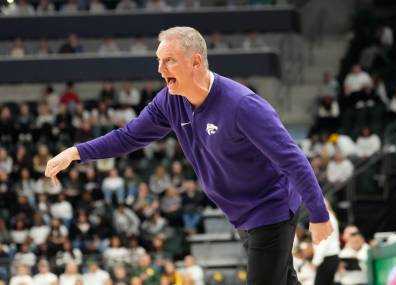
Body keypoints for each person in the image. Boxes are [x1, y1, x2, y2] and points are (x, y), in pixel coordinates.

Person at [45, 26, 333, 284]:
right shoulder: (169, 101)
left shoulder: (242, 105)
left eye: (168, 60)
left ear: (196, 61)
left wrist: (319, 214)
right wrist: (76, 152)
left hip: (270, 207)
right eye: (158, 61)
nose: (160, 68)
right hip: (242, 212)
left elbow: (292, 158)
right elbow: (129, 136)